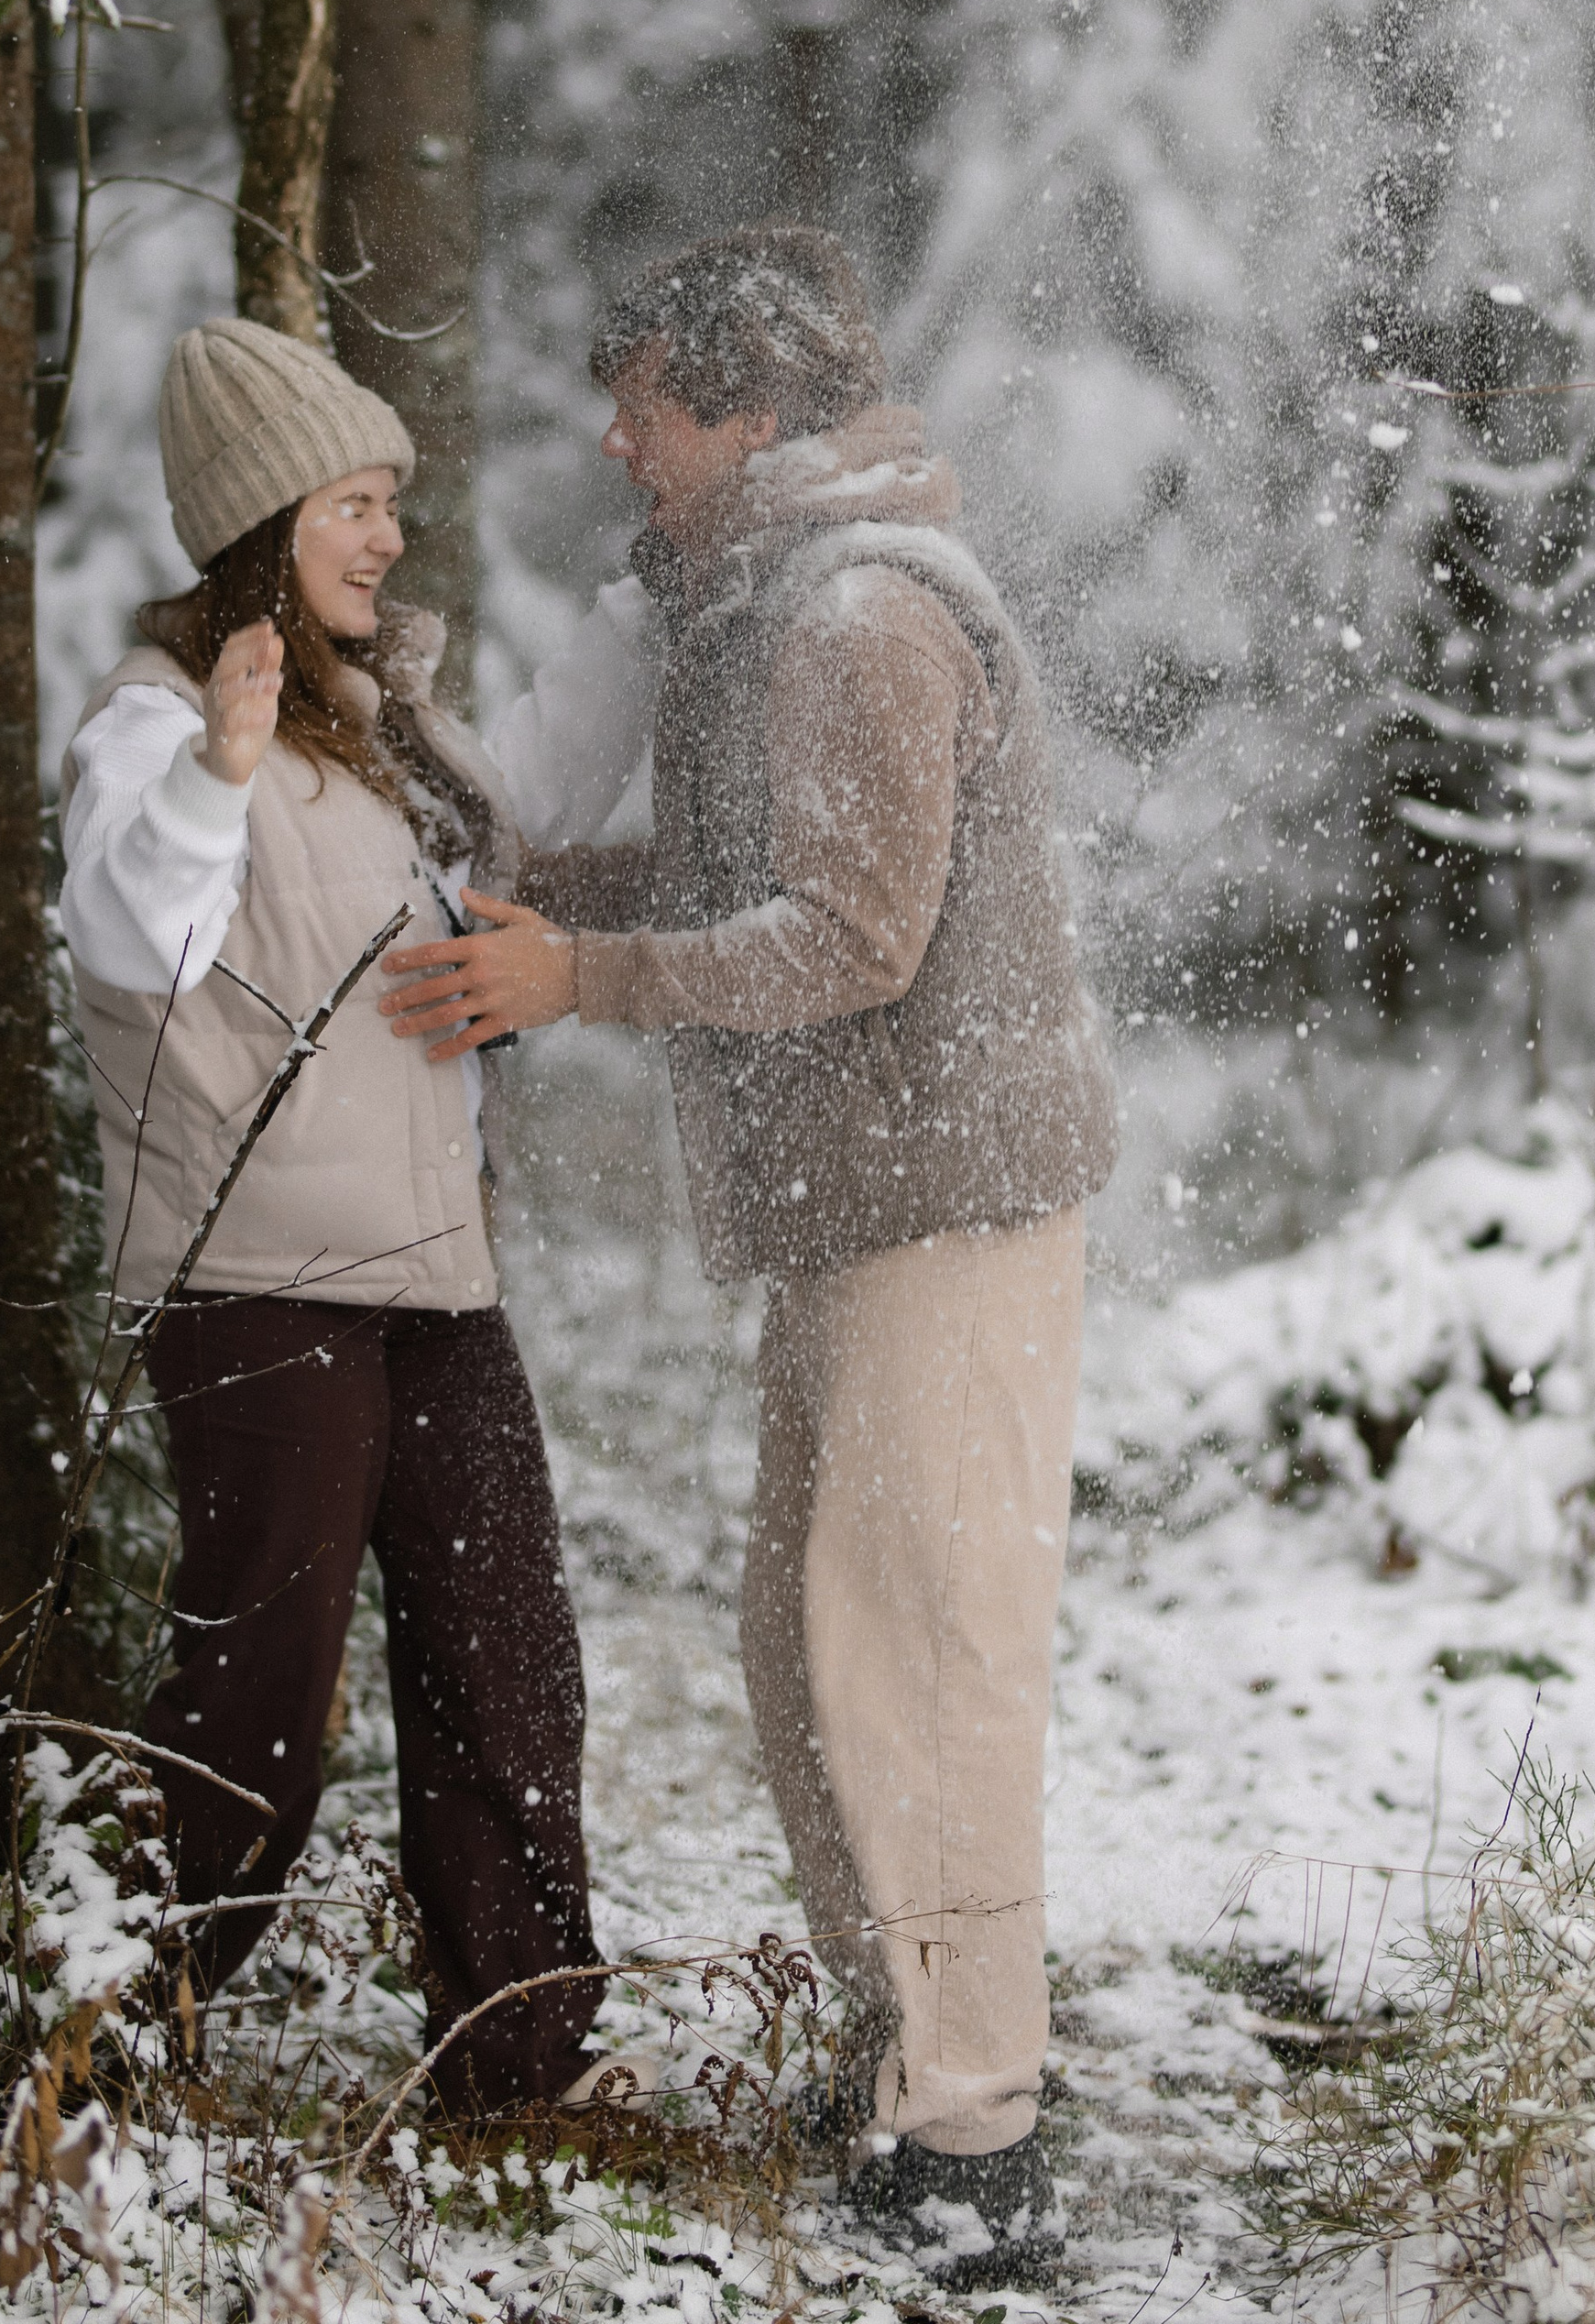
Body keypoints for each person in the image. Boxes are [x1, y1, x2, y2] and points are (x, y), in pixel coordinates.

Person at [380, 227, 1120, 2276]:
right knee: (809, 1662)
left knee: (923, 1663)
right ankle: (902, 2051)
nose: (614, 439)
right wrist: (529, 889)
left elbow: (847, 938)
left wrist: (579, 974)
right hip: (858, 1217)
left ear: (750, 410)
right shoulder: (763, 604)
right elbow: (750, 876)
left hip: (942, 1215)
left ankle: (973, 2138)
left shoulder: (861, 612)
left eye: (644, 402)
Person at [59, 315, 607, 2106]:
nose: (382, 536)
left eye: (387, 503)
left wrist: (661, 610)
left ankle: (514, 2057)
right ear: (259, 529)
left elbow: (517, 819)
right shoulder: (155, 731)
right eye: (348, 507)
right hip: (258, 1293)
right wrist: (217, 772)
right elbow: (142, 934)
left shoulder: (375, 730)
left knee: (504, 1665)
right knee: (252, 1723)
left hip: (435, 1281)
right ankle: (98, 2041)